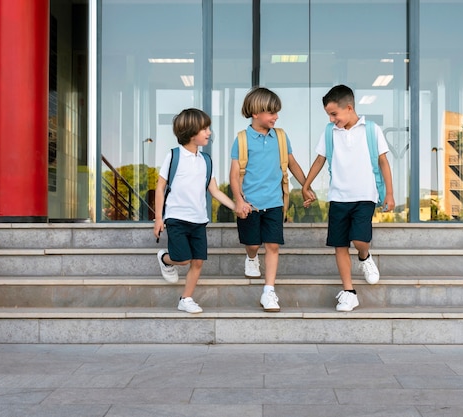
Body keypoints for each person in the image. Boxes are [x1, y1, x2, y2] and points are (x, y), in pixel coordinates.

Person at [302, 84, 395, 312]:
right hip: (338, 197)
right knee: (340, 245)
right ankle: (349, 292)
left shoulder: (371, 130)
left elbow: (383, 161)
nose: (332, 119)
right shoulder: (330, 132)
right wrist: (306, 185)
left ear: (349, 108)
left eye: (334, 114)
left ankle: (364, 257)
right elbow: (319, 160)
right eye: (329, 115)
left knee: (360, 239)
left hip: (365, 196)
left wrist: (390, 194)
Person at [229, 87, 314, 312]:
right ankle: (251, 257)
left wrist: (306, 186)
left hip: (275, 202)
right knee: (253, 244)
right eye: (270, 112)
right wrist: (238, 200)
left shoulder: (281, 137)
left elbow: (292, 164)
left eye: (276, 112)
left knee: (273, 245)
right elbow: (234, 175)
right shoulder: (242, 139)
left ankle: (269, 291)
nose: (275, 116)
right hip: (250, 204)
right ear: (255, 113)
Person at [154, 108, 236, 314]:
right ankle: (165, 258)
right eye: (204, 129)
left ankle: (186, 298)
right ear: (191, 133)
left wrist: (237, 206)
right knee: (182, 259)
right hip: (176, 218)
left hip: (199, 219)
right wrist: (158, 218)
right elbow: (160, 187)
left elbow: (214, 190)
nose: (209, 132)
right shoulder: (173, 156)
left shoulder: (206, 160)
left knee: (198, 261)